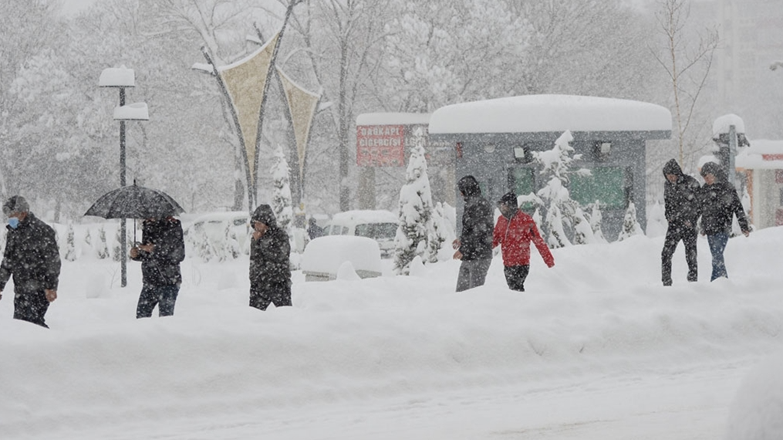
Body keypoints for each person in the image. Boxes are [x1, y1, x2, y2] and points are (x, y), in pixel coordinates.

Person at [0, 196, 61, 328]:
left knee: (33, 324)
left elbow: (52, 262)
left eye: (12, 214)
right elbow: (7, 262)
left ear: (23, 212)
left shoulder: (42, 231)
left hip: (39, 289)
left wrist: (51, 287)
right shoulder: (13, 232)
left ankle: (53, 347)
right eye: (8, 215)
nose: (10, 218)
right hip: (21, 290)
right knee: (21, 326)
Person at [699, 161, 750, 281]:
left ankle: (718, 282)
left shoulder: (727, 188)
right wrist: (703, 227)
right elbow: (703, 210)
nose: (706, 180)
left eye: (708, 177)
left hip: (723, 227)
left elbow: (738, 208)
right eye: (704, 178)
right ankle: (721, 282)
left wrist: (744, 226)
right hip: (710, 229)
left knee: (717, 256)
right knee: (716, 257)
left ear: (714, 174)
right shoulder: (705, 190)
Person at [492, 192, 554, 291]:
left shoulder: (526, 220)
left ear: (511, 206)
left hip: (521, 264)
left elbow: (538, 241)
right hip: (507, 264)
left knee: (516, 289)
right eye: (501, 205)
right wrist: (481, 249)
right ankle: (522, 304)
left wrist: (549, 260)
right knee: (513, 290)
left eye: (505, 205)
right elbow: (495, 239)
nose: (502, 208)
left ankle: (522, 305)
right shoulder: (501, 220)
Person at [130, 216, 185, 318]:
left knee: (165, 318)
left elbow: (179, 254)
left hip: (168, 281)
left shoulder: (173, 225)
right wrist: (137, 254)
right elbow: (148, 255)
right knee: (141, 316)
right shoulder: (147, 226)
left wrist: (154, 249)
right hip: (150, 281)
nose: (147, 218)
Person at [661, 159, 701, 286]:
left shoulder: (691, 183)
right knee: (666, 253)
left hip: (689, 225)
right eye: (668, 176)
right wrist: (668, 216)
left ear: (677, 173)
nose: (670, 178)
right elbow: (667, 203)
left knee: (691, 254)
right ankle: (666, 282)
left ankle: (693, 281)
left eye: (672, 175)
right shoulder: (667, 185)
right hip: (674, 225)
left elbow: (699, 205)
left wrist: (691, 220)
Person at [452, 175, 494, 292]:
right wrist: (461, 240)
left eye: (462, 191)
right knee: (461, 293)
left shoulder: (480, 205)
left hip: (480, 257)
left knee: (473, 295)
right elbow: (469, 229)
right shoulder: (470, 204)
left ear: (468, 189)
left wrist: (463, 250)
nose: (461, 194)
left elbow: (478, 233)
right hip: (469, 256)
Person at [249, 204, 291, 310]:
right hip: (259, 284)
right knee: (254, 316)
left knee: (285, 313)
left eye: (259, 223)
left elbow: (280, 255)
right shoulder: (255, 237)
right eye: (255, 223)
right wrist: (253, 278)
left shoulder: (280, 235)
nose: (256, 226)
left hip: (278, 282)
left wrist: (261, 242)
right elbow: (254, 259)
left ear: (267, 223)